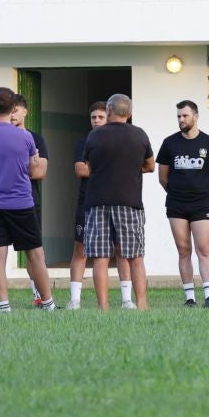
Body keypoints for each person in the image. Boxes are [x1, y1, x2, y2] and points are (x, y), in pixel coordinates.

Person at [0, 86, 55, 312]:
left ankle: (3, 304)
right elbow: (33, 169)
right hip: (22, 202)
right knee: (36, 254)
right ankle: (48, 302)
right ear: (12, 109)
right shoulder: (26, 136)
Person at [79, 94, 154, 310]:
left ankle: (103, 307)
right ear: (129, 114)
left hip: (97, 201)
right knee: (135, 256)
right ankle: (141, 303)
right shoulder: (139, 134)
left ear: (109, 111)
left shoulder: (94, 136)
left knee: (100, 257)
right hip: (129, 202)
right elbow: (150, 165)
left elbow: (89, 167)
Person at [157, 100, 209, 307]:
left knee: (204, 249)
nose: (181, 120)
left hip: (201, 205)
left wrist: (203, 195)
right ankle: (190, 298)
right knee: (183, 250)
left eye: (185, 116)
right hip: (176, 205)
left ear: (196, 116)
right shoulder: (169, 143)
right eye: (178, 116)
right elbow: (163, 178)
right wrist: (178, 193)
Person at [66, 101, 109, 310]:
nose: (97, 121)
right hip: (86, 202)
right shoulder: (83, 142)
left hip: (112, 202)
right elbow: (81, 170)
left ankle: (127, 299)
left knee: (118, 250)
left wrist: (95, 167)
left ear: (109, 117)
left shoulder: (115, 140)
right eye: (93, 117)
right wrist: (107, 168)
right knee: (80, 248)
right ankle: (75, 299)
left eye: (101, 117)